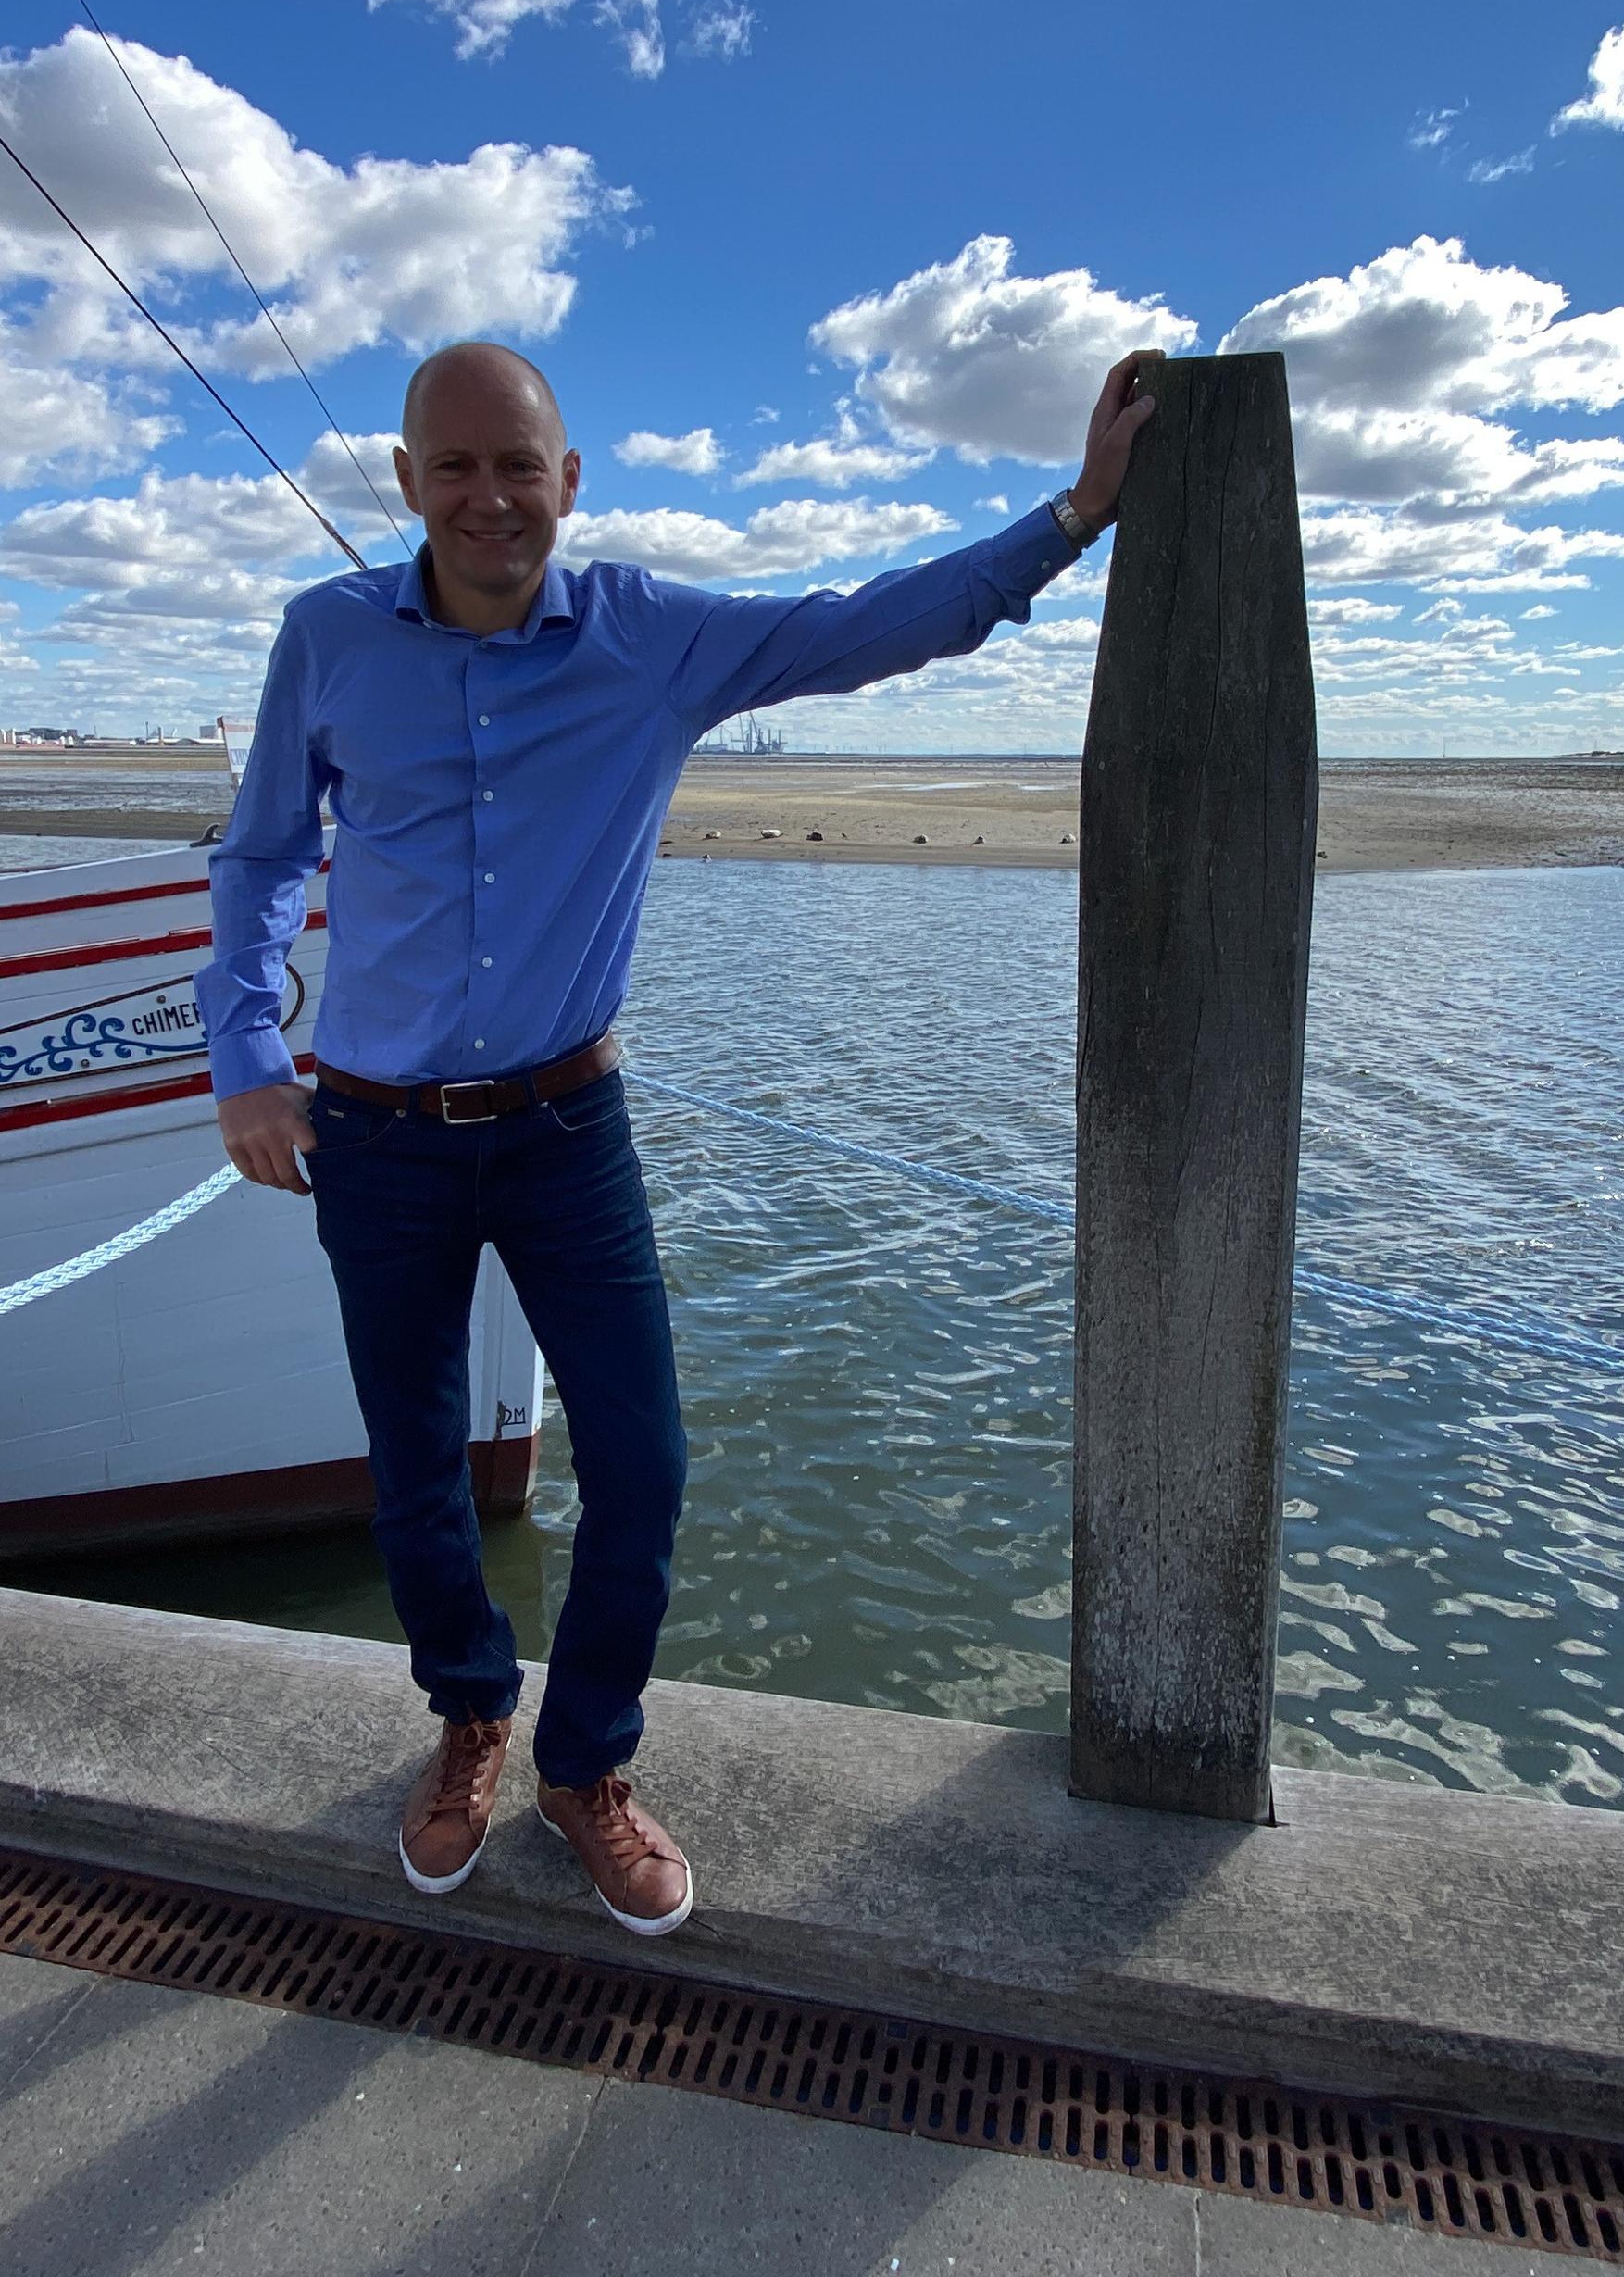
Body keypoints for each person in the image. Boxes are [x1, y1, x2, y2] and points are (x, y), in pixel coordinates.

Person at [199, 338, 1156, 1935]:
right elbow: (261, 860)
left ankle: (585, 1765)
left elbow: (865, 631)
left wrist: (1072, 518)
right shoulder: (330, 640)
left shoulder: (654, 640)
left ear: (569, 481)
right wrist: (243, 1056)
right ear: (408, 482)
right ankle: (469, 1718)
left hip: (571, 1126)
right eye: (455, 467)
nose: (489, 497)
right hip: (378, 1138)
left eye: (520, 466)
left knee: (643, 1464)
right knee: (417, 1467)